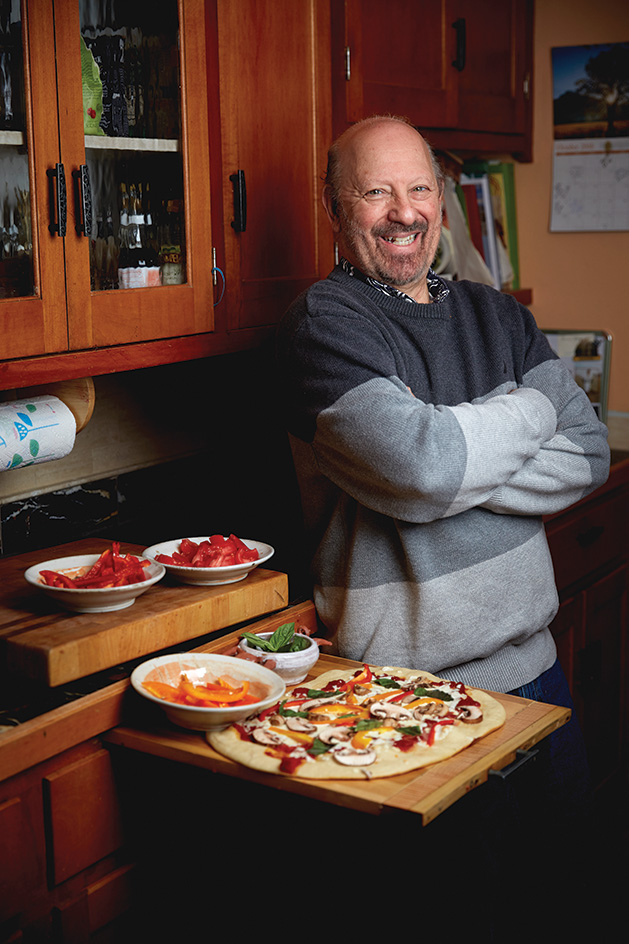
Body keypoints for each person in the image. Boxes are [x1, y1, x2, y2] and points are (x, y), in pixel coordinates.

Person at [275, 115, 610, 848]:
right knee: (466, 914)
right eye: (375, 192)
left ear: (440, 198)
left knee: (573, 889)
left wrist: (450, 453)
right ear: (332, 205)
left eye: (419, 188)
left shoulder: (497, 314)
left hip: (540, 672)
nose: (404, 212)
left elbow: (587, 452)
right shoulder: (322, 326)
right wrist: (525, 408)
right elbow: (424, 471)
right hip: (408, 697)